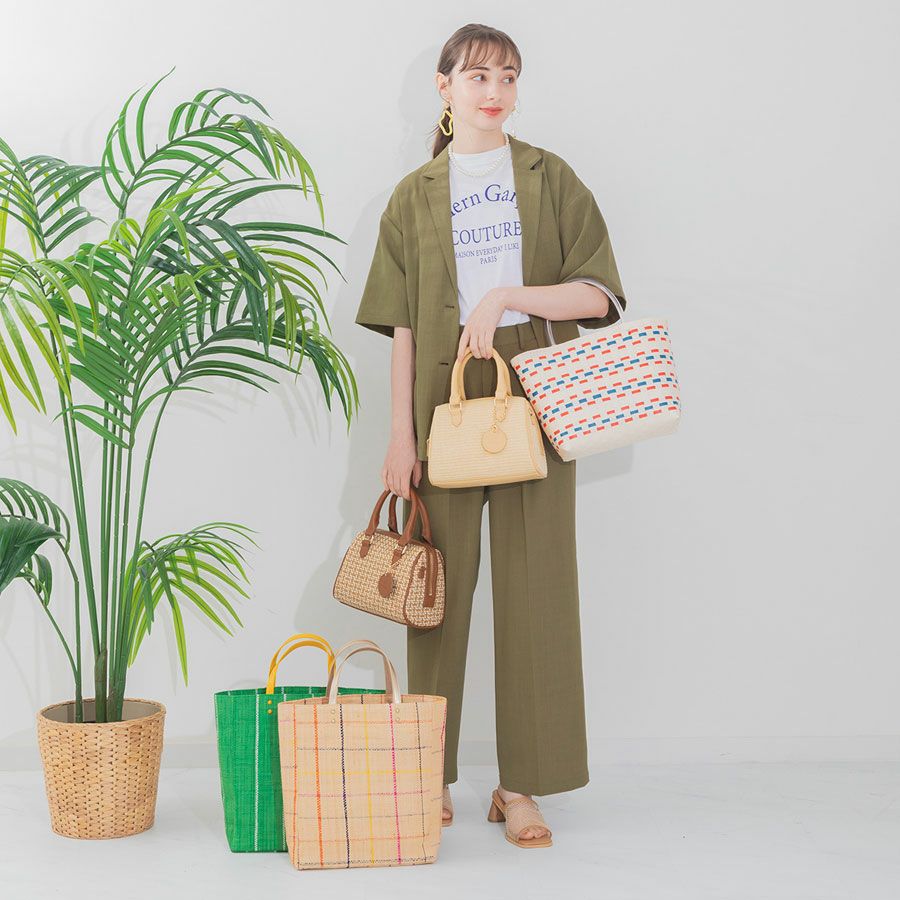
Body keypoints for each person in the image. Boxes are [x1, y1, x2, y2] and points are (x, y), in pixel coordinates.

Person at [354, 23, 627, 849]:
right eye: (477, 76)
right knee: (436, 596)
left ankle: (521, 786)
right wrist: (399, 438)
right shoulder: (412, 196)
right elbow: (402, 328)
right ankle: (429, 774)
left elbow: (599, 296)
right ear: (444, 87)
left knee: (537, 591)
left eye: (508, 75)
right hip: (441, 404)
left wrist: (507, 296)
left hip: (536, 402)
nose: (495, 91)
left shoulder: (549, 177)